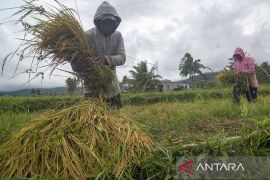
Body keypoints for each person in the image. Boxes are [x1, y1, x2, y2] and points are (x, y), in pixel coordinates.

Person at [71, 1, 126, 108]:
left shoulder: (118, 36)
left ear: (115, 23)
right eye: (105, 22)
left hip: (112, 89)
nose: (108, 26)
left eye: (111, 23)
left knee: (118, 121)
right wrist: (79, 64)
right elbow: (75, 63)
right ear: (98, 22)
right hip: (92, 89)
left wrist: (106, 59)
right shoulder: (87, 36)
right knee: (91, 122)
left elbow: (122, 57)